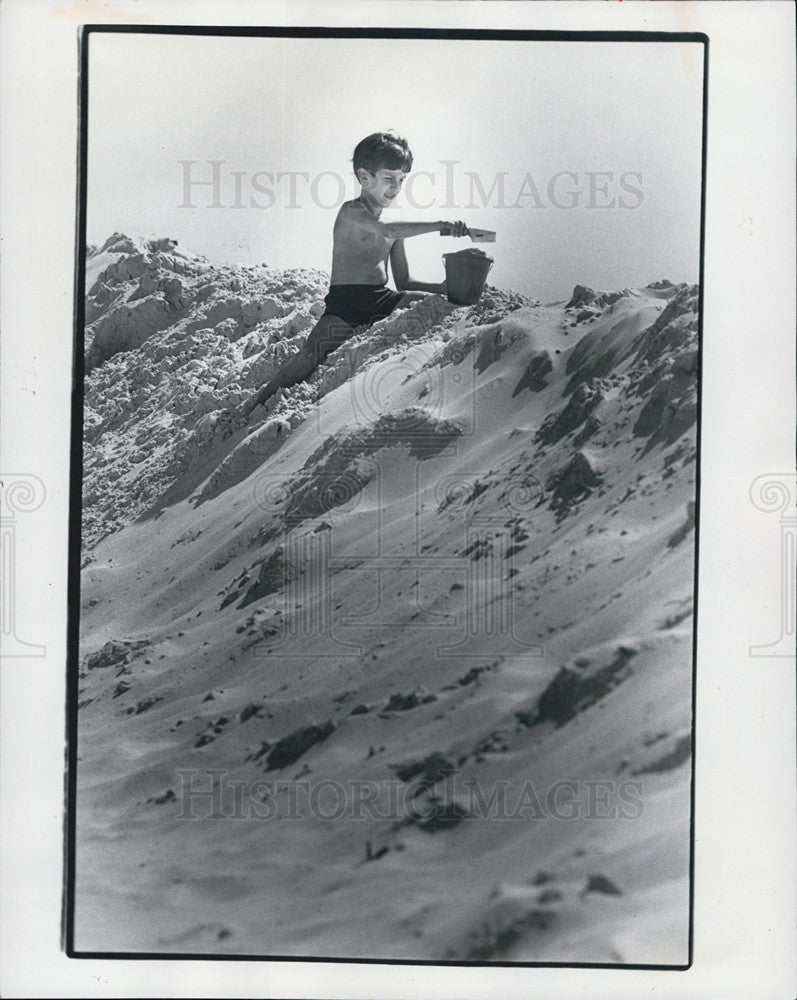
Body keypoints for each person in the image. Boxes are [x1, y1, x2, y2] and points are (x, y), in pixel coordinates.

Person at [239, 131, 468, 418]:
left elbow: (405, 282)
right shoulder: (351, 212)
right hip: (346, 303)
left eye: (401, 179)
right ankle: (256, 404)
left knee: (432, 305)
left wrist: (442, 288)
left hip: (382, 299)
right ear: (364, 177)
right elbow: (387, 230)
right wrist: (440, 225)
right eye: (389, 178)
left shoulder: (397, 229)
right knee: (312, 355)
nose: (396, 187)